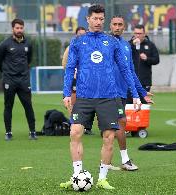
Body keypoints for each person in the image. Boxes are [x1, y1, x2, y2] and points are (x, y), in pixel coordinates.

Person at [60, 4, 140, 190]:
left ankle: (103, 178)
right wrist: (66, 93)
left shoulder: (111, 42)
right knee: (75, 133)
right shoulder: (78, 41)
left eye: (101, 19)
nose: (98, 22)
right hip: (85, 96)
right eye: (94, 18)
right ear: (88, 19)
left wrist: (135, 94)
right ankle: (76, 176)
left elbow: (125, 69)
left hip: (108, 97)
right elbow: (70, 68)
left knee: (108, 137)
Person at [109, 15, 153, 171]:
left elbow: (131, 71)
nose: (117, 27)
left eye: (120, 24)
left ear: (124, 26)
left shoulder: (126, 46)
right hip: (106, 91)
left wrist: (142, 92)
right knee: (119, 123)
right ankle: (123, 160)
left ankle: (109, 162)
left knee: (117, 125)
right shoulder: (105, 42)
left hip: (120, 92)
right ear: (110, 25)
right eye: (114, 24)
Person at [0, 18, 37, 140]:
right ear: (12, 28)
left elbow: (29, 59)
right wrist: (5, 72)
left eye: (21, 28)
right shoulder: (5, 44)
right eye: (17, 28)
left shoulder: (28, 44)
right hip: (9, 80)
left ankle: (32, 132)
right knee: (8, 106)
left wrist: (23, 71)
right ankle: (8, 132)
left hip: (23, 80)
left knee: (28, 105)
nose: (19, 30)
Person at [61, 27, 94, 135]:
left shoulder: (91, 47)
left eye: (83, 34)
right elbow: (65, 64)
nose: (81, 36)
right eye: (79, 34)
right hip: (75, 80)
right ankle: (74, 125)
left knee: (90, 103)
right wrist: (73, 73)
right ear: (76, 35)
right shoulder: (70, 48)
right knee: (74, 103)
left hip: (88, 80)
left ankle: (87, 127)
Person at [128, 24, 159, 102]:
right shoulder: (128, 45)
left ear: (144, 34)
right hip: (131, 80)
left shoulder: (150, 45)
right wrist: (132, 45)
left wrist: (147, 59)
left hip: (144, 81)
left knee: (143, 105)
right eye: (136, 33)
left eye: (139, 33)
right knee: (129, 106)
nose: (137, 35)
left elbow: (156, 60)